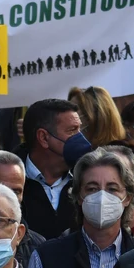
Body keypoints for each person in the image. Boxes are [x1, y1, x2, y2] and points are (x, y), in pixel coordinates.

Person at [29, 147, 134, 268]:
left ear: (127, 198)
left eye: (112, 189)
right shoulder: (46, 257)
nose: (102, 196)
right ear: (79, 197)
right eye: (92, 188)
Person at [19, 97, 83, 239]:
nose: (80, 138)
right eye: (72, 131)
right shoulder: (8, 181)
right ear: (44, 138)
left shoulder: (88, 178)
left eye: (80, 129)